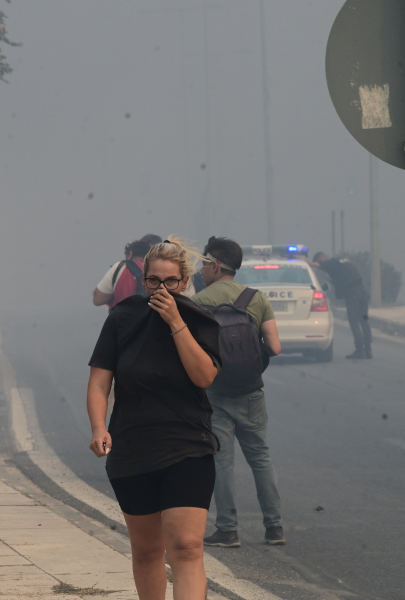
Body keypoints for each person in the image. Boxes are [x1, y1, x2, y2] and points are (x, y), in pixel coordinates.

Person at [87, 238, 221, 600]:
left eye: (171, 282)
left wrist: (176, 321)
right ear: (143, 279)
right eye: (154, 281)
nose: (161, 289)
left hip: (188, 446)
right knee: (147, 551)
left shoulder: (199, 320)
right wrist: (99, 428)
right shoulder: (123, 318)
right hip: (132, 449)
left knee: (187, 547)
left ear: (185, 281)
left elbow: (204, 376)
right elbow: (100, 382)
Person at [192, 236, 285, 548]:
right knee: (260, 457)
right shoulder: (255, 298)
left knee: (222, 461)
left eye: (205, 263)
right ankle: (275, 529)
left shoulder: (200, 301)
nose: (202, 269)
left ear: (217, 265)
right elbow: (274, 347)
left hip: (215, 392)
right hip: (251, 392)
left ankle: (228, 529)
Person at [309, 252, 372, 359]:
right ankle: (368, 350)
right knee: (364, 320)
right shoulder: (342, 261)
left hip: (352, 294)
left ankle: (360, 350)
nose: (322, 270)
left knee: (353, 321)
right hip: (362, 291)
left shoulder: (330, 263)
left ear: (321, 259)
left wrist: (302, 261)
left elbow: (317, 265)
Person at [92, 239, 151, 309]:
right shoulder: (159, 268)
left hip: (124, 318)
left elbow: (97, 300)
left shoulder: (120, 267)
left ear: (130, 254)